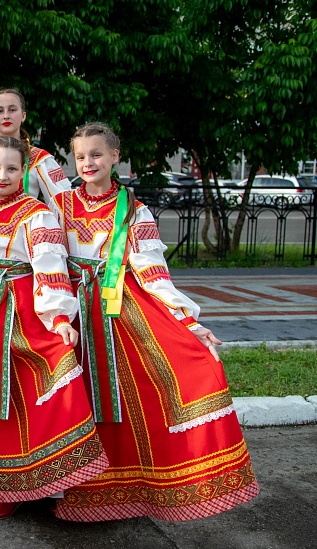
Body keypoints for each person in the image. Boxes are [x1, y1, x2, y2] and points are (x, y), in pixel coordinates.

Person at [52, 122, 259, 521]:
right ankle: (67, 487)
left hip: (119, 312)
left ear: (115, 156)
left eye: (96, 154)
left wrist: (189, 323)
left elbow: (153, 273)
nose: (88, 162)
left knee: (135, 396)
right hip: (71, 309)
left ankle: (126, 490)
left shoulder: (135, 210)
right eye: (80, 157)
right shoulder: (59, 205)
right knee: (75, 398)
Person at [0, 135, 108, 520]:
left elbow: (49, 265)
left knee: (24, 393)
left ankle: (29, 484)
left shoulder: (36, 214)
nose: (2, 175)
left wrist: (59, 318)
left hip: (20, 312)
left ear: (24, 171)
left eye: (11, 168)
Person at [0, 88, 70, 204]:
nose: (6, 116)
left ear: (23, 115)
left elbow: (64, 201)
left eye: (12, 110)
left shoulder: (39, 158)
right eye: (0, 111)